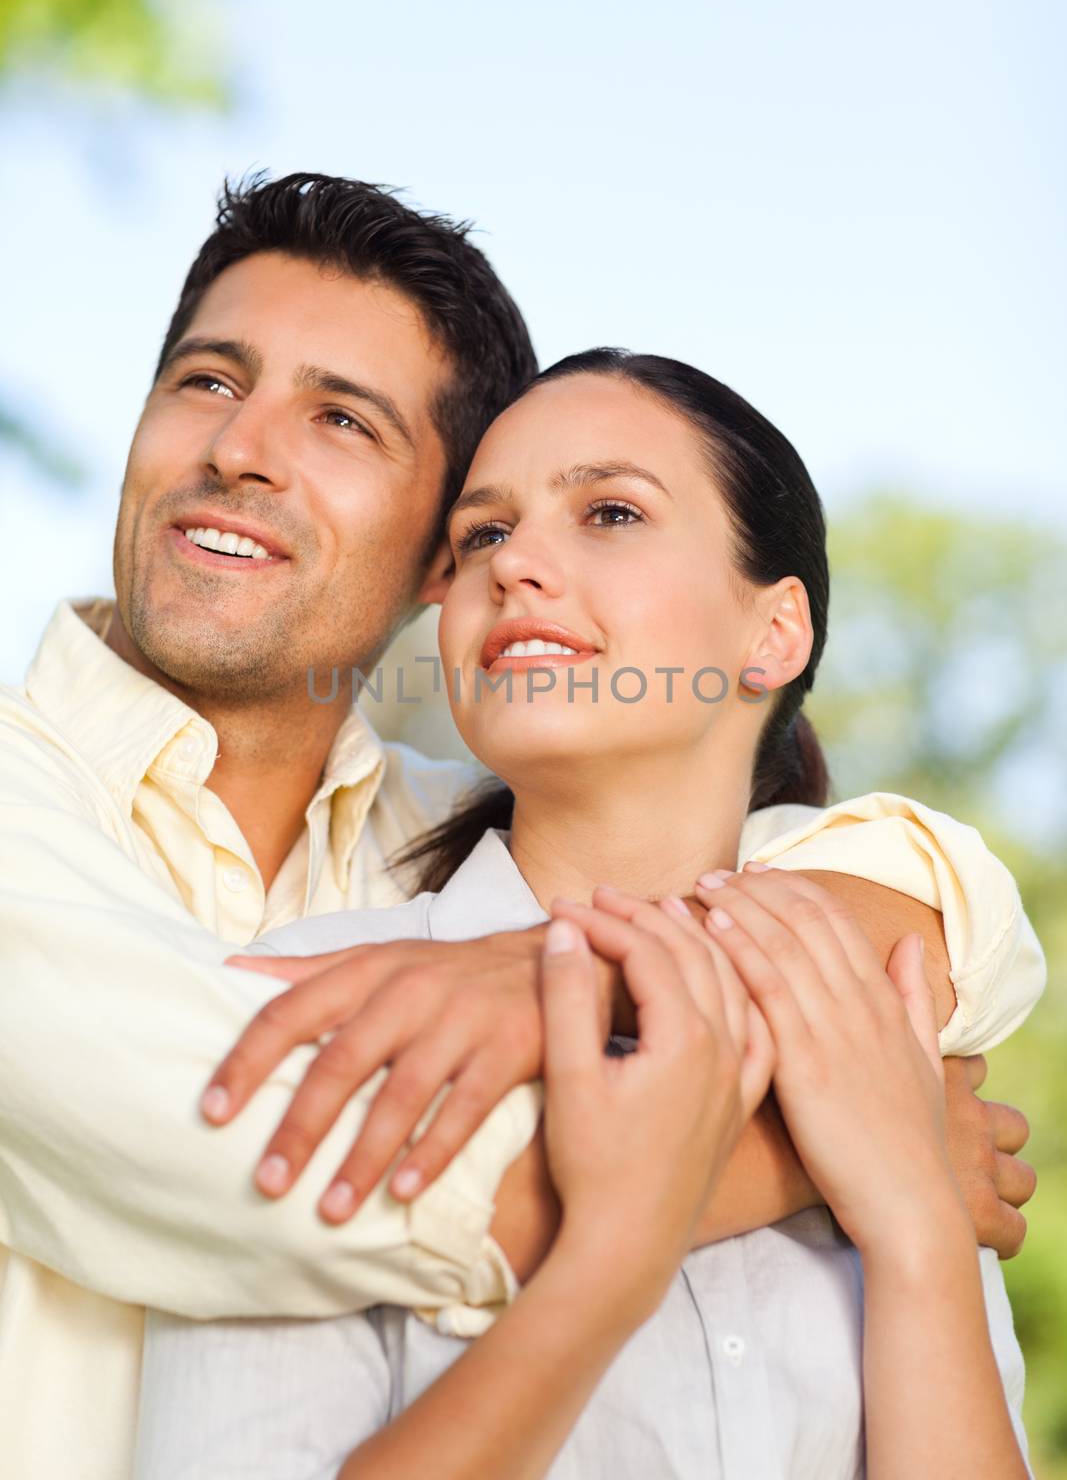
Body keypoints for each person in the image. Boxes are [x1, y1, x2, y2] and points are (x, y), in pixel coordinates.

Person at [0, 180, 1041, 1479]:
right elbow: (284, 1186)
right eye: (208, 382)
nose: (239, 449)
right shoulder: (27, 815)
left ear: (430, 566)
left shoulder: (454, 836)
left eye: (340, 418)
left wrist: (569, 964)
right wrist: (850, 1155)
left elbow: (934, 885)